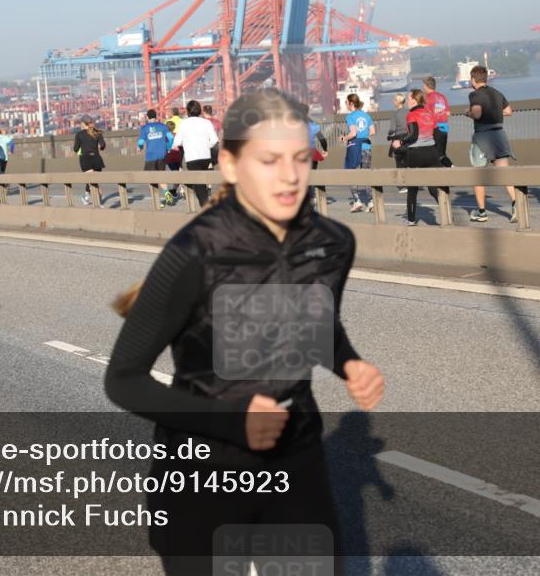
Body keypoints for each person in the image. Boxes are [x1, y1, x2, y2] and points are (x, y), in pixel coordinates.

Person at [105, 88, 384, 575]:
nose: (290, 175)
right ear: (231, 165)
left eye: (300, 158)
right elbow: (123, 380)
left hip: (295, 452)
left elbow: (313, 323)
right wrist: (231, 420)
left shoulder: (334, 242)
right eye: (269, 160)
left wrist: (348, 363)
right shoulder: (193, 253)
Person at [464, 65, 517, 223]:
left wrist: (468, 113)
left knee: (478, 174)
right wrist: (494, 113)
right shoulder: (496, 93)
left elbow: (477, 113)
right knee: (504, 172)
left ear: (473, 79)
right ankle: (516, 205)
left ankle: (482, 212)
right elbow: (508, 111)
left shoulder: (475, 94)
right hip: (499, 134)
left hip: (482, 137)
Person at [390, 90, 448, 226]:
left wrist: (400, 142)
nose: (407, 101)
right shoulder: (429, 113)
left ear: (414, 100)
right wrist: (439, 152)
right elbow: (438, 134)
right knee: (434, 188)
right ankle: (447, 214)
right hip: (431, 153)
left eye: (409, 98)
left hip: (416, 154)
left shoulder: (411, 114)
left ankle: (411, 220)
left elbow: (413, 135)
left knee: (412, 189)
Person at [170, 100, 219, 206]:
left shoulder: (184, 123)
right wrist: (206, 146)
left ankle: (207, 209)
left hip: (192, 159)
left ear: (188, 111)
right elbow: (215, 140)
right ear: (199, 111)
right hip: (206, 158)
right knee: (202, 185)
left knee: (200, 189)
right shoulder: (207, 122)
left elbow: (177, 142)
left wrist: (187, 143)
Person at [342, 92, 376, 213]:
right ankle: (371, 202)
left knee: (351, 173)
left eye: (346, 102)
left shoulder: (350, 116)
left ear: (351, 103)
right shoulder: (366, 116)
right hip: (366, 147)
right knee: (366, 174)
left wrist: (344, 138)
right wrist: (364, 136)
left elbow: (353, 133)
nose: (346, 104)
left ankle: (357, 201)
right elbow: (373, 132)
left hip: (354, 147)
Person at [138, 109, 175, 207]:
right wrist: (168, 147)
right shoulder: (163, 126)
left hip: (151, 156)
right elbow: (171, 138)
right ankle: (167, 194)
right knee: (161, 176)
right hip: (162, 155)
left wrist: (140, 148)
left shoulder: (144, 128)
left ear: (147, 117)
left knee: (150, 179)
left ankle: (157, 201)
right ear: (156, 117)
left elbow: (141, 142)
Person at [73, 116, 106, 206]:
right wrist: (98, 147)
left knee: (92, 182)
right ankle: (90, 199)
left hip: (86, 159)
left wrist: (81, 147)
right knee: (94, 182)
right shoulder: (97, 132)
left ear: (83, 124)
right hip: (97, 159)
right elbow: (103, 145)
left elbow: (75, 149)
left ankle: (97, 202)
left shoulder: (79, 134)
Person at [423, 76, 453, 167]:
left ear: (427, 86)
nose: (423, 87)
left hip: (435, 128)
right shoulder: (442, 96)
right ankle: (449, 169)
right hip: (444, 127)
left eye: (424, 85)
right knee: (442, 153)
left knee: (436, 154)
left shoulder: (427, 98)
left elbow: (426, 115)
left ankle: (451, 168)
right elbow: (448, 113)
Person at [387, 94, 410, 192]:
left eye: (395, 100)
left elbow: (392, 129)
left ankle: (402, 186)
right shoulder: (409, 112)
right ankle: (411, 183)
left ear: (398, 102)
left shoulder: (395, 114)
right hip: (409, 138)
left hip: (399, 139)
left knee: (399, 162)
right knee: (409, 161)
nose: (393, 102)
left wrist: (389, 134)